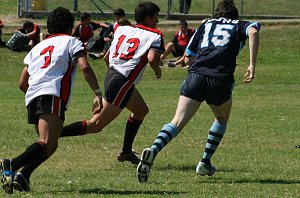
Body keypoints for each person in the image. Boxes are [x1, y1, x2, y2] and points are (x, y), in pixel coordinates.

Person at [137, 0, 260, 182]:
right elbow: (253, 31)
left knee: (177, 121)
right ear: (235, 16)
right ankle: (204, 162)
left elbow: (188, 57)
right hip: (219, 78)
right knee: (221, 118)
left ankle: (153, 150)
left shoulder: (207, 24)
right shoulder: (239, 24)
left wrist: (176, 62)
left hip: (196, 76)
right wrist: (251, 64)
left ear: (217, 14)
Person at [0, 7, 102, 194]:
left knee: (50, 144)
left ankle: (24, 176)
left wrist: (36, 97)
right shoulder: (72, 41)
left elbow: (22, 83)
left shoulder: (37, 47)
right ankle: (11, 164)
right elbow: (85, 67)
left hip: (32, 97)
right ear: (70, 27)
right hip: (51, 94)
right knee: (46, 141)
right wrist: (97, 93)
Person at [59, 2, 164, 165]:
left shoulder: (123, 29)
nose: (157, 21)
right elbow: (152, 59)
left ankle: (127, 151)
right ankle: (55, 133)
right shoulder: (155, 35)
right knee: (95, 125)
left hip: (114, 76)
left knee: (141, 110)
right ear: (149, 18)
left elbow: (107, 57)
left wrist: (117, 77)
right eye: (156, 18)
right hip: (122, 82)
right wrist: (158, 72)